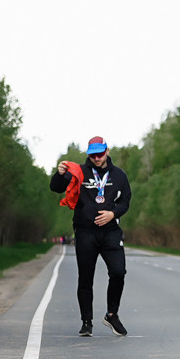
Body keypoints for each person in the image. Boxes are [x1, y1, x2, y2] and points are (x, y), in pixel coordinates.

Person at [52, 137, 130, 337]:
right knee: (85, 278)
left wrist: (113, 214)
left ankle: (112, 314)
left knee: (118, 271)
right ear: (89, 154)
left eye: (100, 154)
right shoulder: (79, 171)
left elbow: (125, 202)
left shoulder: (119, 175)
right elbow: (56, 188)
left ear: (107, 151)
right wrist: (59, 175)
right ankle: (86, 322)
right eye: (93, 155)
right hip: (85, 232)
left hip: (111, 232)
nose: (97, 158)